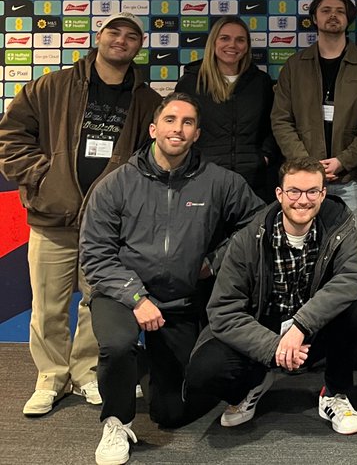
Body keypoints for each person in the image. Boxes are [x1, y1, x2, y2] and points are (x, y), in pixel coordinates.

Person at [80, 93, 261, 465]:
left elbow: (256, 225)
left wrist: (215, 261)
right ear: (153, 129)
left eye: (188, 122)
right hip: (121, 295)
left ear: (196, 134)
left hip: (180, 301)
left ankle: (142, 365)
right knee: (117, 346)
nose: (178, 128)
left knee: (171, 413)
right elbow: (95, 255)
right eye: (170, 120)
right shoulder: (115, 184)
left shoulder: (220, 182)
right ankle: (116, 420)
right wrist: (135, 298)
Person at [0, 10, 161, 417]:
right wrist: (41, 176)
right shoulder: (51, 87)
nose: (121, 40)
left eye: (131, 36)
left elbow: (153, 161)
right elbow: (10, 135)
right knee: (48, 307)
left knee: (97, 305)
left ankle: (87, 372)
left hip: (107, 228)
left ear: (139, 46)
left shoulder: (148, 101)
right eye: (114, 32)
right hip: (52, 219)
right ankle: (51, 377)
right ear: (99, 36)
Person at [186, 158, 357, 435]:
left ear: (322, 194)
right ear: (279, 194)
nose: (302, 200)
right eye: (294, 191)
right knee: (203, 371)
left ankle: (334, 393)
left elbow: (353, 278)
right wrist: (274, 348)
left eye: (311, 192)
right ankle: (254, 383)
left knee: (356, 310)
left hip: (311, 331)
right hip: (263, 329)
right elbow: (223, 311)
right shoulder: (248, 238)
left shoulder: (339, 227)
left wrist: (301, 326)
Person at [272, 0, 357, 240]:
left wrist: (344, 160)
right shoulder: (294, 65)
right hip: (302, 182)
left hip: (351, 180)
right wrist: (308, 165)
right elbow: (281, 120)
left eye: (340, 11)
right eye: (326, 10)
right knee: (303, 248)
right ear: (314, 17)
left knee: (349, 253)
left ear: (348, 19)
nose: (333, 16)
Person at [175, 15, 278, 200]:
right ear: (213, 43)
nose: (232, 45)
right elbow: (179, 127)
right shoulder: (191, 83)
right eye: (225, 38)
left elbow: (274, 125)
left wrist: (264, 156)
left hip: (253, 182)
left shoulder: (260, 83)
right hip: (202, 181)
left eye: (240, 40)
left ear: (247, 46)